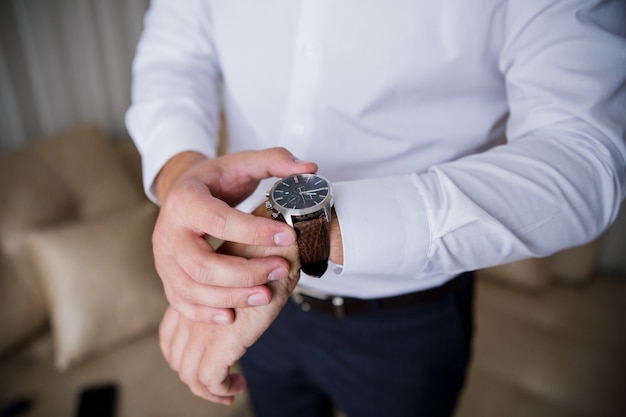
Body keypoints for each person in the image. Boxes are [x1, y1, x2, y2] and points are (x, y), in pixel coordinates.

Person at [126, 1, 626, 416]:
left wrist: (287, 235)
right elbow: (174, 55)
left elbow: (584, 155)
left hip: (407, 320)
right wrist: (179, 173)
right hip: (248, 302)